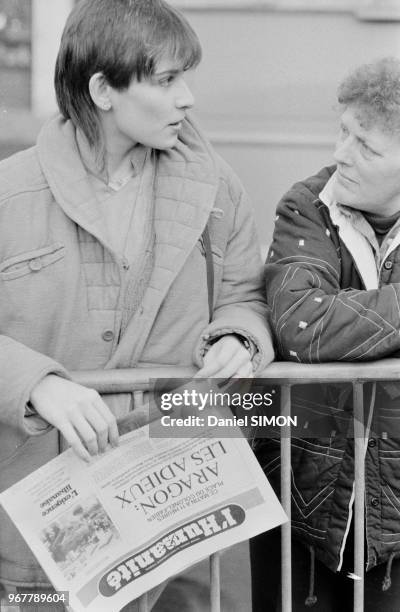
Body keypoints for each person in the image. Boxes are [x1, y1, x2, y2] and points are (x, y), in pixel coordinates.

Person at [0, 0, 274, 609]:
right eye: (168, 80)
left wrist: (238, 334)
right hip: (49, 513)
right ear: (102, 89)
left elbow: (244, 293)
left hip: (182, 510)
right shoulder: (9, 194)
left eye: (187, 77)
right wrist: (37, 382)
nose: (189, 99)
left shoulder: (218, 188)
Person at [252, 56, 400, 612]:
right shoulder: (306, 205)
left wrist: (355, 315)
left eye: (367, 145)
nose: (341, 154)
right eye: (343, 131)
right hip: (300, 499)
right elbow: (301, 325)